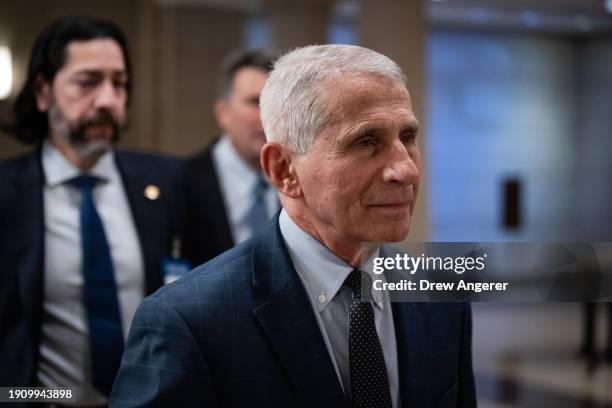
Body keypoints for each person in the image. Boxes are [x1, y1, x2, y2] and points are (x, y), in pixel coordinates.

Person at [111, 45, 476, 407]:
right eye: (366, 142)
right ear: (284, 170)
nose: (406, 170)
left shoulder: (441, 298)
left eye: (407, 138)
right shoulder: (189, 322)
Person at [0, 16, 186, 406]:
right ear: (42, 91)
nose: (107, 101)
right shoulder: (7, 194)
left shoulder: (167, 181)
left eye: (118, 84)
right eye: (88, 82)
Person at [183, 49, 280, 267]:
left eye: (275, 104)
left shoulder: (300, 182)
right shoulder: (182, 183)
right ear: (222, 113)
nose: (267, 116)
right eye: (255, 102)